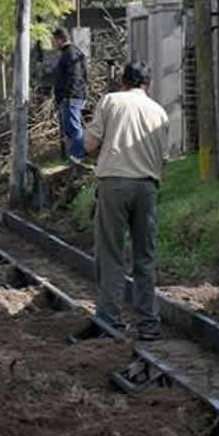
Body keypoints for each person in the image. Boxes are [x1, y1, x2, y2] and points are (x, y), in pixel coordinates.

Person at [68, 61, 169, 343]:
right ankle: (148, 323)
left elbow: (89, 143)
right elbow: (163, 157)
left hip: (114, 185)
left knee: (110, 253)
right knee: (144, 257)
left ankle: (110, 320)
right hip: (147, 187)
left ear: (122, 82)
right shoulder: (160, 112)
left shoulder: (111, 101)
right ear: (147, 85)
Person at [51, 27, 88, 162]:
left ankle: (78, 157)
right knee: (69, 128)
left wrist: (68, 96)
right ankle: (72, 157)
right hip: (70, 97)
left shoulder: (71, 53)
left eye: (53, 40)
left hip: (71, 98)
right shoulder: (69, 53)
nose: (52, 43)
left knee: (73, 128)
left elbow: (76, 77)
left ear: (60, 39)